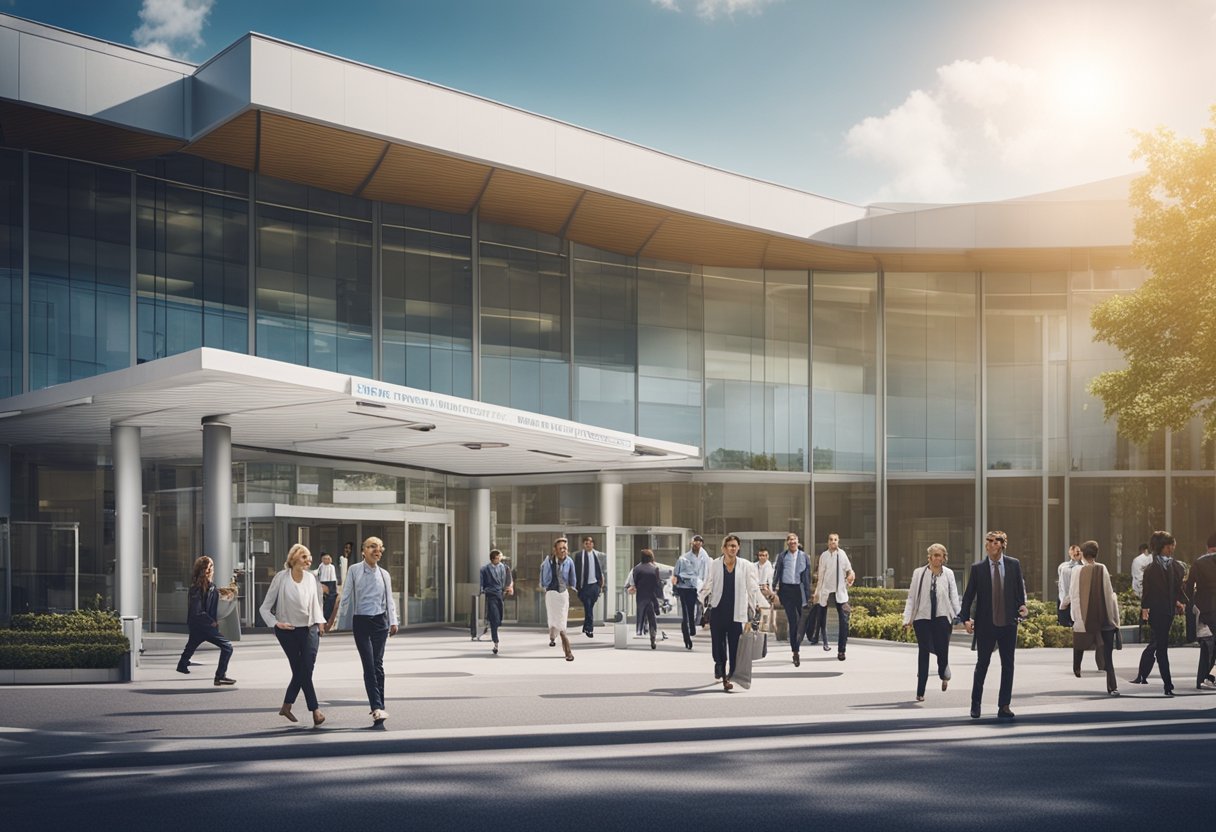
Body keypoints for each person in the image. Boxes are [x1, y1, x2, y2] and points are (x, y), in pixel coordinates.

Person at [329, 536, 399, 726]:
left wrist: (393, 621)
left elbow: (389, 599)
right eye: (372, 547)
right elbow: (346, 595)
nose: (377, 550)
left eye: (379, 547)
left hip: (380, 622)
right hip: (361, 621)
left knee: (378, 665)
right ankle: (376, 707)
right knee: (368, 665)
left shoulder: (384, 574)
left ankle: (379, 707)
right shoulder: (354, 570)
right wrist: (335, 621)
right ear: (363, 551)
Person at [961, 530, 1028, 719]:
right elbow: (968, 596)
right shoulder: (978, 568)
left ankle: (1004, 706)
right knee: (982, 664)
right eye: (988, 541)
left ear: (1002, 545)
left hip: (1008, 624)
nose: (990, 544)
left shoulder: (1013, 564)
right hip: (986, 625)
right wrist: (965, 619)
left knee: (1008, 665)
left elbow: (1019, 591)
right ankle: (975, 704)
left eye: (995, 541)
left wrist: (1022, 606)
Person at [260, 543, 328, 726]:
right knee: (301, 671)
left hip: (310, 629)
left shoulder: (311, 578)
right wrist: (276, 623)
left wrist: (320, 623)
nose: (309, 560)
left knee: (305, 669)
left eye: (310, 557)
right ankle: (315, 711)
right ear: (294, 558)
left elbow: (317, 603)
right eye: (304, 556)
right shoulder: (281, 578)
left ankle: (287, 705)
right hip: (287, 632)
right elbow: (264, 608)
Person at [698, 534, 761, 692]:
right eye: (730, 546)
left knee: (735, 646)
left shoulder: (746, 565)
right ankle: (719, 665)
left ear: (738, 548)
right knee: (718, 644)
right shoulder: (715, 564)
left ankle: (730, 676)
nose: (733, 548)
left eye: (735, 546)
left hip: (737, 612)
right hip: (718, 610)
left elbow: (752, 588)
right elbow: (708, 583)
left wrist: (755, 607)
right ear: (724, 548)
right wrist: (702, 600)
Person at [901, 543, 960, 702]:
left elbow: (954, 596)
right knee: (924, 651)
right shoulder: (919, 573)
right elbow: (912, 597)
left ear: (944, 558)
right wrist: (907, 619)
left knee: (942, 650)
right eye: (933, 555)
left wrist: (960, 616)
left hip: (942, 617)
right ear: (929, 557)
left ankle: (943, 673)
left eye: (938, 555)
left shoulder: (948, 574)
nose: (935, 558)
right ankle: (920, 690)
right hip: (922, 618)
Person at [1133, 530, 1186, 696]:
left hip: (1169, 612)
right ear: (1162, 547)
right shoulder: (1151, 568)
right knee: (1161, 648)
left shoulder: (1177, 567)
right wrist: (1144, 610)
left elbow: (1177, 589)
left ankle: (1143, 674)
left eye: (1172, 545)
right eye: (1169, 545)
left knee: (1157, 644)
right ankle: (1167, 685)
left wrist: (1180, 602)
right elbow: (1147, 593)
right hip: (1156, 613)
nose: (1172, 548)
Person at [1069, 539, 1120, 696]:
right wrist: (1113, 619)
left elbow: (1074, 595)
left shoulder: (1077, 571)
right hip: (1103, 617)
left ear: (1083, 554)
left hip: (1086, 617)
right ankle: (1112, 687)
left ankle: (1077, 666)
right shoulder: (1102, 568)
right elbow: (1109, 594)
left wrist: (1076, 617)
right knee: (1108, 655)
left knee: (1080, 642)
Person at [175, 555, 236, 686]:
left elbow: (209, 601)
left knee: (191, 645)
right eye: (211, 566)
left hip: (200, 625)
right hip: (203, 625)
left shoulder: (210, 586)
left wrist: (223, 593)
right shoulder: (196, 588)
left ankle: (182, 664)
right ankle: (220, 676)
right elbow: (197, 610)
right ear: (205, 569)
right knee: (227, 647)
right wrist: (211, 621)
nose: (213, 569)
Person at [813, 533, 856, 661]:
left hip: (840, 593)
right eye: (831, 539)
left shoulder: (842, 554)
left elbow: (850, 570)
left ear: (838, 541)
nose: (833, 542)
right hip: (826, 592)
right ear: (828, 542)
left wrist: (851, 576)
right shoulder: (824, 556)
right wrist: (817, 592)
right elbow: (821, 576)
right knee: (822, 619)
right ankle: (824, 642)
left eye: (835, 540)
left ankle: (841, 650)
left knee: (844, 621)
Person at [772, 533, 811, 666]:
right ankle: (795, 651)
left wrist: (808, 595)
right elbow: (777, 573)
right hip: (787, 591)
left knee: (801, 622)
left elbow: (807, 577)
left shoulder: (804, 557)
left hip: (799, 590)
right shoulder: (782, 556)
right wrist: (774, 590)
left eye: (794, 540)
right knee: (793, 621)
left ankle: (797, 641)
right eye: (790, 540)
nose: (792, 542)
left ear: (797, 542)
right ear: (787, 543)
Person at [1184, 532, 1216, 690]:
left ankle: (1203, 678)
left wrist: (1190, 606)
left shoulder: (1198, 563)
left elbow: (1189, 587)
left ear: (1207, 547)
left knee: (1207, 645)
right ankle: (1208, 677)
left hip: (1205, 610)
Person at [540, 537, 577, 661]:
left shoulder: (569, 562)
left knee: (561, 622)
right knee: (553, 620)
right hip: (551, 594)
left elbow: (572, 579)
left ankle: (564, 648)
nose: (563, 550)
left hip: (563, 594)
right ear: (554, 550)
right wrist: (544, 587)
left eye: (565, 548)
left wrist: (574, 588)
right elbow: (543, 577)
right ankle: (556, 641)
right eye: (560, 548)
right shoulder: (548, 562)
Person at [672, 535, 710, 649]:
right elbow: (675, 574)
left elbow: (706, 574)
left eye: (699, 542)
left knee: (692, 611)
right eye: (695, 542)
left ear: (702, 544)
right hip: (684, 588)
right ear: (691, 543)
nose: (697, 544)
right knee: (686, 614)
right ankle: (687, 637)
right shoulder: (684, 558)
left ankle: (692, 629)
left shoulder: (704, 558)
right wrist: (675, 586)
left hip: (696, 588)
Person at [627, 549, 664, 649]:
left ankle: (640, 630)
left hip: (641, 596)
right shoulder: (655, 569)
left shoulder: (636, 569)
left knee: (641, 614)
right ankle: (653, 636)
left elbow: (634, 583)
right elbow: (658, 584)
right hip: (652, 596)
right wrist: (661, 597)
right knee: (652, 617)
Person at [479, 549, 513, 654]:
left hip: (501, 594)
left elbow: (509, 580)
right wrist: (483, 590)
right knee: (494, 618)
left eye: (500, 558)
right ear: (493, 559)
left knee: (498, 619)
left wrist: (508, 588)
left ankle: (492, 625)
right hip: (491, 594)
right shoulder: (485, 569)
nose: (500, 559)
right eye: (498, 558)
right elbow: (482, 583)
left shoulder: (505, 568)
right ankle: (495, 641)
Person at [574, 535, 606, 638]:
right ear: (583, 545)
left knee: (590, 608)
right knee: (588, 607)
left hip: (595, 585)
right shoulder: (579, 556)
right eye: (586, 543)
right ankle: (590, 629)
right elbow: (576, 571)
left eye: (590, 543)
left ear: (593, 544)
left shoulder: (599, 555)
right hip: (584, 586)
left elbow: (603, 570)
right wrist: (576, 586)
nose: (588, 545)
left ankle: (585, 626)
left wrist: (601, 584)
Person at [1057, 544, 1083, 626]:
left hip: (1075, 599)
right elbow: (1062, 585)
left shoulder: (1082, 567)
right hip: (1064, 599)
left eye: (1078, 552)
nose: (1076, 553)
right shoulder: (1063, 567)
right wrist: (1064, 601)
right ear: (1070, 552)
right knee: (1064, 624)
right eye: (1074, 551)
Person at [754, 547, 776, 634]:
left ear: (767, 556)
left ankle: (765, 627)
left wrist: (771, 592)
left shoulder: (771, 568)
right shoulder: (754, 566)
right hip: (756, 590)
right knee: (756, 610)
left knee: (766, 611)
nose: (762, 557)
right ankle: (756, 627)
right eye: (760, 555)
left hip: (767, 591)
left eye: (764, 555)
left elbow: (772, 581)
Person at [315, 552, 338, 621]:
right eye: (325, 558)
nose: (327, 560)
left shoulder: (332, 567)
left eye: (328, 558)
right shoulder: (321, 566)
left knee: (331, 599)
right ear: (322, 559)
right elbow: (317, 575)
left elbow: (334, 578)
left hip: (331, 583)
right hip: (322, 583)